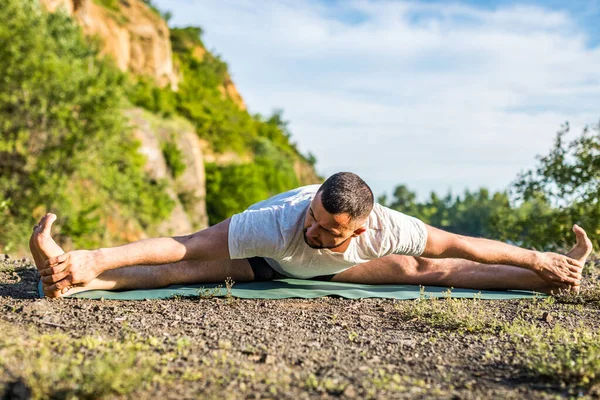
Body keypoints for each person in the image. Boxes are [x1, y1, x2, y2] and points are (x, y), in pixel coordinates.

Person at [31, 172, 592, 298]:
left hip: (342, 271)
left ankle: (552, 279)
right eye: (314, 219)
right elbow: (184, 242)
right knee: (176, 270)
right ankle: (70, 275)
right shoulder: (274, 224)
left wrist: (541, 260)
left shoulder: (389, 229)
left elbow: (467, 246)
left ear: (361, 228)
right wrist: (95, 256)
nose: (314, 229)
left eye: (328, 229)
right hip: (263, 262)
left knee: (433, 270)